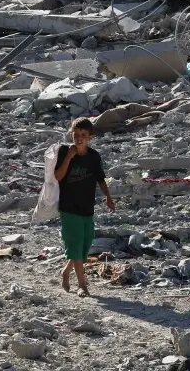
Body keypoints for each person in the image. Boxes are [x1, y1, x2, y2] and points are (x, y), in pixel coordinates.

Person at [53, 117, 115, 297]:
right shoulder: (65, 152)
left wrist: (108, 197)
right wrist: (70, 157)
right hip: (69, 207)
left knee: (85, 245)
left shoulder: (94, 156)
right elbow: (58, 176)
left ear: (90, 137)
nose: (79, 138)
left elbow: (100, 179)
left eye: (83, 135)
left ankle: (65, 272)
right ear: (71, 134)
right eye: (76, 134)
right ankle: (82, 285)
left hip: (87, 207)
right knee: (75, 245)